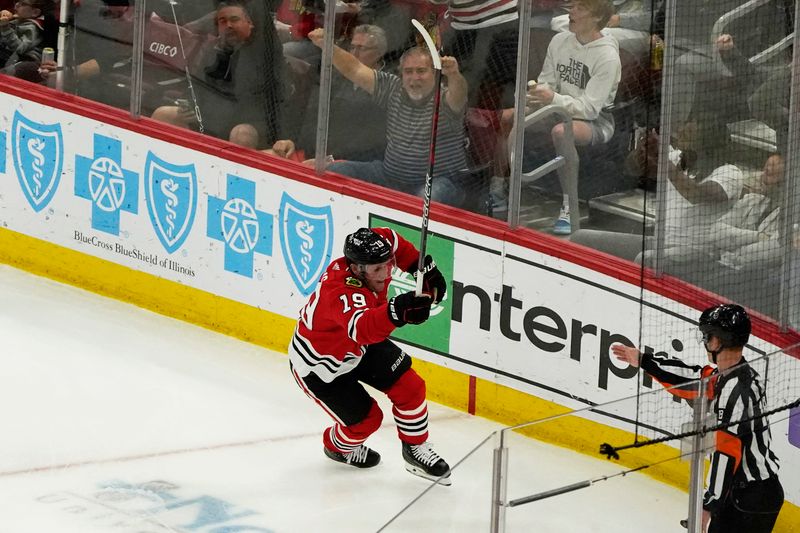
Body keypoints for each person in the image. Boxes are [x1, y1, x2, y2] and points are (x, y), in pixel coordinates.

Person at [288, 227, 452, 484]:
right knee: (368, 422)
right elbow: (362, 329)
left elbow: (393, 240)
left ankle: (415, 450)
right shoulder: (339, 290)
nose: (386, 273)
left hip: (358, 347)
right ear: (356, 269)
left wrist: (424, 269)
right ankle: (336, 446)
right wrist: (398, 310)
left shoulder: (375, 254)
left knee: (411, 387)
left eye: (388, 265)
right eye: (377, 269)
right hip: (321, 366)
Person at [612, 303, 784, 532]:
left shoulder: (737, 392)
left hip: (750, 499)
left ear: (721, 340)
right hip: (747, 493)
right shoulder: (733, 375)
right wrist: (644, 360)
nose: (705, 341)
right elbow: (693, 379)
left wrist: (708, 506)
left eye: (708, 336)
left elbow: (726, 452)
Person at [309, 28, 469, 207]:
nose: (414, 77)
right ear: (401, 74)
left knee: (427, 198)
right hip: (389, 175)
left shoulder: (446, 99)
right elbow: (354, 68)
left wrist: (454, 74)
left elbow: (459, 94)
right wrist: (326, 45)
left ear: (435, 73)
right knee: (335, 171)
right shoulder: (393, 88)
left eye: (421, 71)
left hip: (440, 182)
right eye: (408, 71)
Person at [569, 128, 743, 267]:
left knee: (647, 259)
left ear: (707, 135)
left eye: (690, 125)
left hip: (698, 252)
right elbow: (632, 169)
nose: (681, 129)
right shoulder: (677, 158)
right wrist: (642, 152)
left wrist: (663, 160)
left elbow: (695, 194)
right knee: (580, 238)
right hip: (661, 242)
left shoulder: (731, 173)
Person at [526, 0, 620, 234]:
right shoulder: (559, 40)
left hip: (596, 120)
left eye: (580, 8)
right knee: (512, 116)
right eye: (572, 6)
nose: (571, 12)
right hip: (557, 106)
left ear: (597, 17)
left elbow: (589, 110)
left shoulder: (608, 56)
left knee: (561, 132)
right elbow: (548, 80)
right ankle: (502, 187)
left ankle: (569, 208)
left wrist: (552, 99)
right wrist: (536, 94)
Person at [268, 24, 389, 165]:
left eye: (361, 48)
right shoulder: (334, 76)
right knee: (263, 160)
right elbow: (313, 113)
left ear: (380, 52)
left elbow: (369, 139)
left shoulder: (386, 86)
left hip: (348, 163)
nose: (354, 53)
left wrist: (330, 159)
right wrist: (292, 140)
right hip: (315, 154)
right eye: (352, 47)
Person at [0, 0, 51, 68]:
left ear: (35, 12)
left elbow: (19, 48)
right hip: (12, 56)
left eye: (23, 4)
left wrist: (5, 27)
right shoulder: (18, 20)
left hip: (26, 60)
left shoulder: (32, 28)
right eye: (17, 1)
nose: (17, 5)